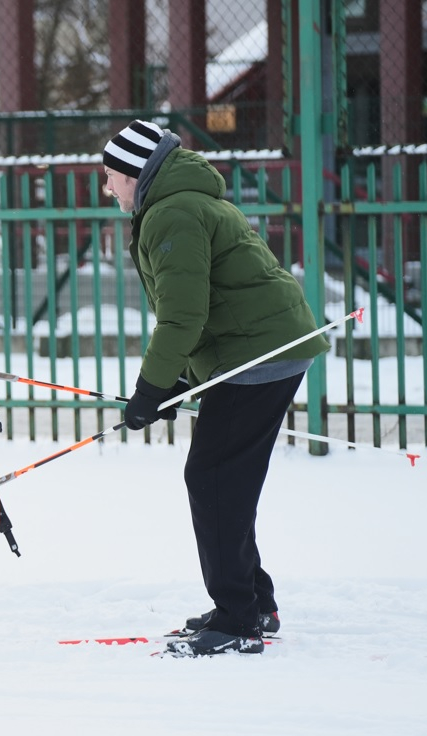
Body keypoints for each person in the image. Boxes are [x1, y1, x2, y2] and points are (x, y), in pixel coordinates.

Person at [102, 120, 329, 657]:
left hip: (258, 355)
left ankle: (238, 620)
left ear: (137, 174)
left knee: (214, 479)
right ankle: (252, 602)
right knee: (224, 480)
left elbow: (182, 315)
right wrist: (179, 380)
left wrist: (150, 388)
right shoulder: (184, 202)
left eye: (111, 176)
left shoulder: (171, 212)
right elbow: (212, 302)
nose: (107, 188)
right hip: (260, 348)